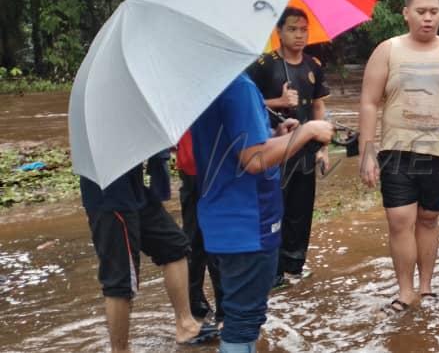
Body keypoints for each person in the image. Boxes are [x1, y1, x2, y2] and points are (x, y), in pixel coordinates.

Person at [358, 0, 439, 317]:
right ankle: (405, 291)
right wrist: (367, 151)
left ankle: (426, 287)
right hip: (396, 149)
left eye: (434, 12)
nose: (428, 19)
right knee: (400, 219)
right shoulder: (388, 50)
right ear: (406, 14)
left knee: (428, 219)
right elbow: (369, 102)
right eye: (421, 12)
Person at [190, 72, 334, 353]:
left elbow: (237, 145)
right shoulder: (238, 87)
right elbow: (254, 159)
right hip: (247, 222)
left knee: (240, 315)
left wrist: (275, 137)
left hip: (223, 217)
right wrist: (307, 132)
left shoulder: (209, 83)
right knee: (244, 321)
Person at [80, 160, 218, 353]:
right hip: (109, 196)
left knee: (174, 246)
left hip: (135, 187)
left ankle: (186, 325)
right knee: (121, 280)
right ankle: (120, 350)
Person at [247, 7, 331, 287]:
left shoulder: (313, 66)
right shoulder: (263, 65)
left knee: (301, 208)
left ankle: (295, 265)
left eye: (303, 29)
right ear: (279, 32)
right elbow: (248, 104)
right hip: (274, 147)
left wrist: (323, 148)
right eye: (292, 29)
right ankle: (273, 270)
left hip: (305, 149)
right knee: (274, 208)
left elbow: (319, 104)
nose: (299, 35)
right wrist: (279, 103)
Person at [176, 131, 223, 323]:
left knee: (196, 238)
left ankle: (198, 305)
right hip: (206, 166)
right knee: (210, 239)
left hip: (197, 165)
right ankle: (221, 309)